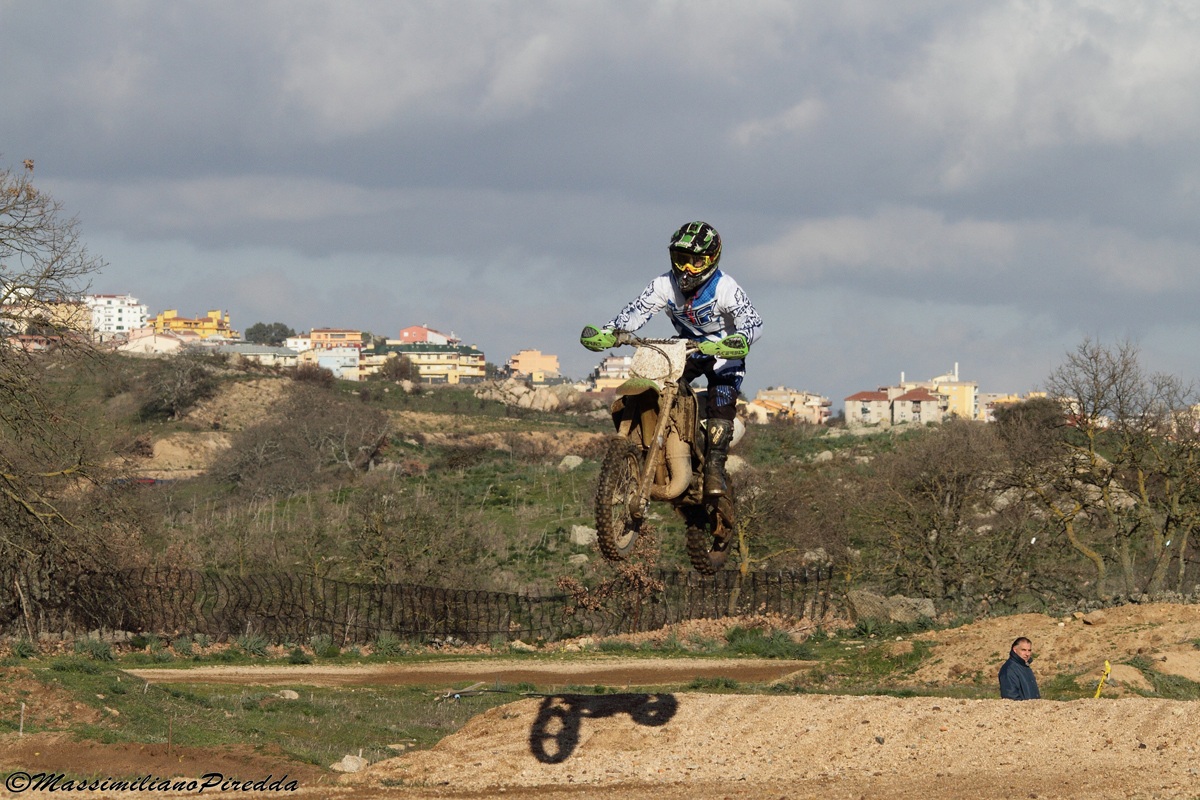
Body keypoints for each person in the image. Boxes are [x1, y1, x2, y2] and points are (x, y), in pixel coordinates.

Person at [580, 221, 763, 497]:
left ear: (711, 260)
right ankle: (646, 448)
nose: (687, 269)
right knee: (654, 383)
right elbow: (636, 311)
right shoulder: (663, 285)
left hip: (724, 350)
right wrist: (612, 332)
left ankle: (714, 468)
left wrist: (741, 340)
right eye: (681, 260)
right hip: (685, 348)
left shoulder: (726, 287)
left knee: (721, 400)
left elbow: (754, 321)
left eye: (695, 262)